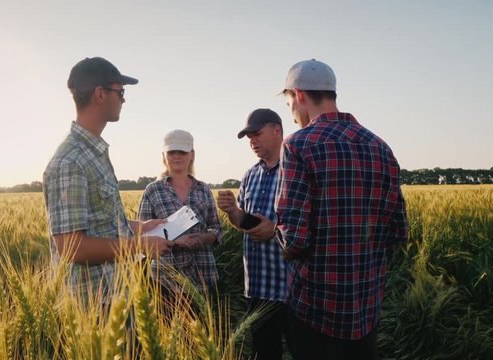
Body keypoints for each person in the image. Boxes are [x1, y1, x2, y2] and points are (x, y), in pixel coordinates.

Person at [276, 59, 408, 359]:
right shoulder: (381, 147)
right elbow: (398, 230)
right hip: (366, 307)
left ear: (298, 95)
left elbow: (293, 238)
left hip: (316, 309)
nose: (294, 116)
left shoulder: (298, 145)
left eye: (289, 105)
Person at [43, 57, 172, 304]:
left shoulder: (92, 153)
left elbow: (100, 222)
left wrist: (140, 227)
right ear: (100, 94)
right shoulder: (71, 162)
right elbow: (72, 247)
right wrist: (140, 246)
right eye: (120, 92)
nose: (123, 99)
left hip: (116, 293)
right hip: (94, 304)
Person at [216, 109, 293, 360]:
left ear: (277, 130)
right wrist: (232, 211)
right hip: (258, 288)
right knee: (264, 353)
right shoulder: (250, 175)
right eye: (249, 136)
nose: (252, 141)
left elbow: (314, 223)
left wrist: (275, 231)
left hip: (292, 288)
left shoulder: (296, 170)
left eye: (257, 134)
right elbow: (244, 222)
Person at [137, 129, 222, 293]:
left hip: (203, 275)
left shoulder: (204, 190)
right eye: (171, 152)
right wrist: (176, 241)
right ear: (164, 156)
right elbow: (143, 236)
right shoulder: (152, 190)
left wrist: (203, 238)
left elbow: (216, 229)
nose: (177, 156)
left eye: (182, 152)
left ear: (192, 155)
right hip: (165, 280)